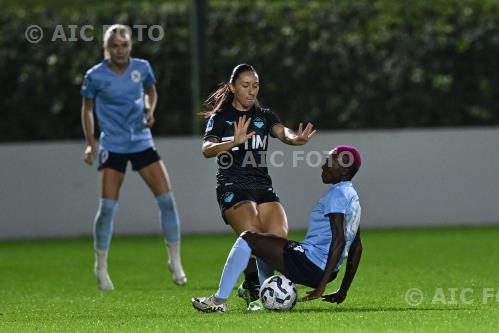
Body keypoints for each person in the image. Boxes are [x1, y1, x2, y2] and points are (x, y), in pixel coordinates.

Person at [192, 145, 363, 312]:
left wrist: (321, 286)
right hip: (324, 269)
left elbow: (339, 240)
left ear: (344, 169)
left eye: (329, 161)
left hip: (311, 264)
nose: (323, 165)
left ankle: (218, 301)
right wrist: (343, 290)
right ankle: (259, 295)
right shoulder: (352, 197)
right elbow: (356, 247)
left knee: (248, 238)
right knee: (264, 241)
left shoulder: (337, 195)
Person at [201, 64, 316, 309]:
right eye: (245, 86)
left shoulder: (264, 116)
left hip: (262, 186)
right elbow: (207, 150)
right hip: (232, 185)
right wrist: (233, 141)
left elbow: (282, 132)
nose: (251, 91)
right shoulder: (220, 118)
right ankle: (245, 295)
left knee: (276, 240)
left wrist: (297, 139)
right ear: (232, 87)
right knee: (254, 238)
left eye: (255, 86)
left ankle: (258, 291)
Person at [80, 24, 186, 290]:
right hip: (112, 145)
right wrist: (91, 144)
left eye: (124, 45)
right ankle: (101, 266)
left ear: (130, 46)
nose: (120, 50)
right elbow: (87, 109)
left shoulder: (142, 68)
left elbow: (151, 91)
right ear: (107, 48)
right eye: (114, 46)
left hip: (140, 141)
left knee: (167, 201)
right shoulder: (95, 76)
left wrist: (150, 110)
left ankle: (175, 261)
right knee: (106, 208)